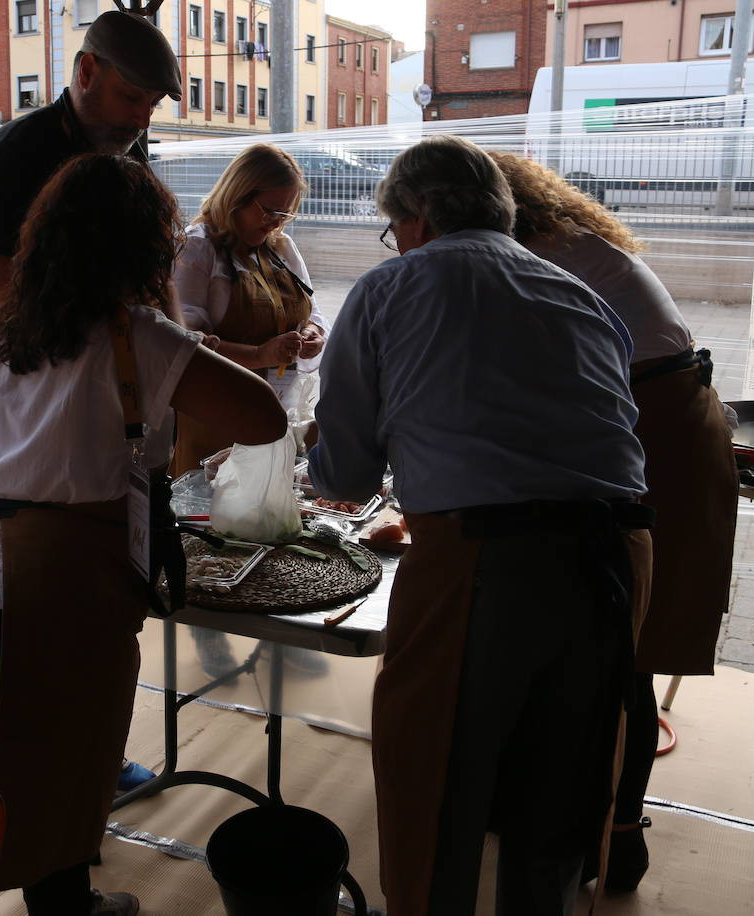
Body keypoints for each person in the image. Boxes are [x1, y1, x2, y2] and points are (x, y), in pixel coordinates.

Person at [0, 154, 286, 916]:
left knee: (9, 777)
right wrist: (170, 323)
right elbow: (267, 418)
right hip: (50, 591)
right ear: (142, 249)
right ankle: (69, 910)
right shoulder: (140, 339)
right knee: (62, 770)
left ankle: (59, 900)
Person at [307, 135, 654, 916]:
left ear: (420, 214)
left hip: (487, 564)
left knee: (434, 775)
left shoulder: (392, 287)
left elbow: (349, 477)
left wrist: (316, 460)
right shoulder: (578, 292)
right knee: (561, 787)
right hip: (618, 557)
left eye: (392, 226)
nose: (394, 243)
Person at [489, 151, 737, 892]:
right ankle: (578, 815)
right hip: (665, 417)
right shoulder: (563, 243)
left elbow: (514, 378)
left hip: (657, 432)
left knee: (626, 642)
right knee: (614, 635)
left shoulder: (537, 257)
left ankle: (619, 837)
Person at [0, 10, 184, 429]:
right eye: (131, 97)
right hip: (25, 391)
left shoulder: (125, 151)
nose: (142, 120)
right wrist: (113, 334)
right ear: (87, 70)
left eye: (152, 104)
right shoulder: (16, 153)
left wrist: (177, 354)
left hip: (114, 379)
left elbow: (159, 275)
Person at [170, 142, 328, 475]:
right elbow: (185, 344)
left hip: (276, 416)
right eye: (269, 210)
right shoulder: (198, 247)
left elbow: (312, 313)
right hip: (215, 420)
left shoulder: (281, 247)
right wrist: (259, 354)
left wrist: (313, 334)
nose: (275, 222)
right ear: (236, 195)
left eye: (285, 213)